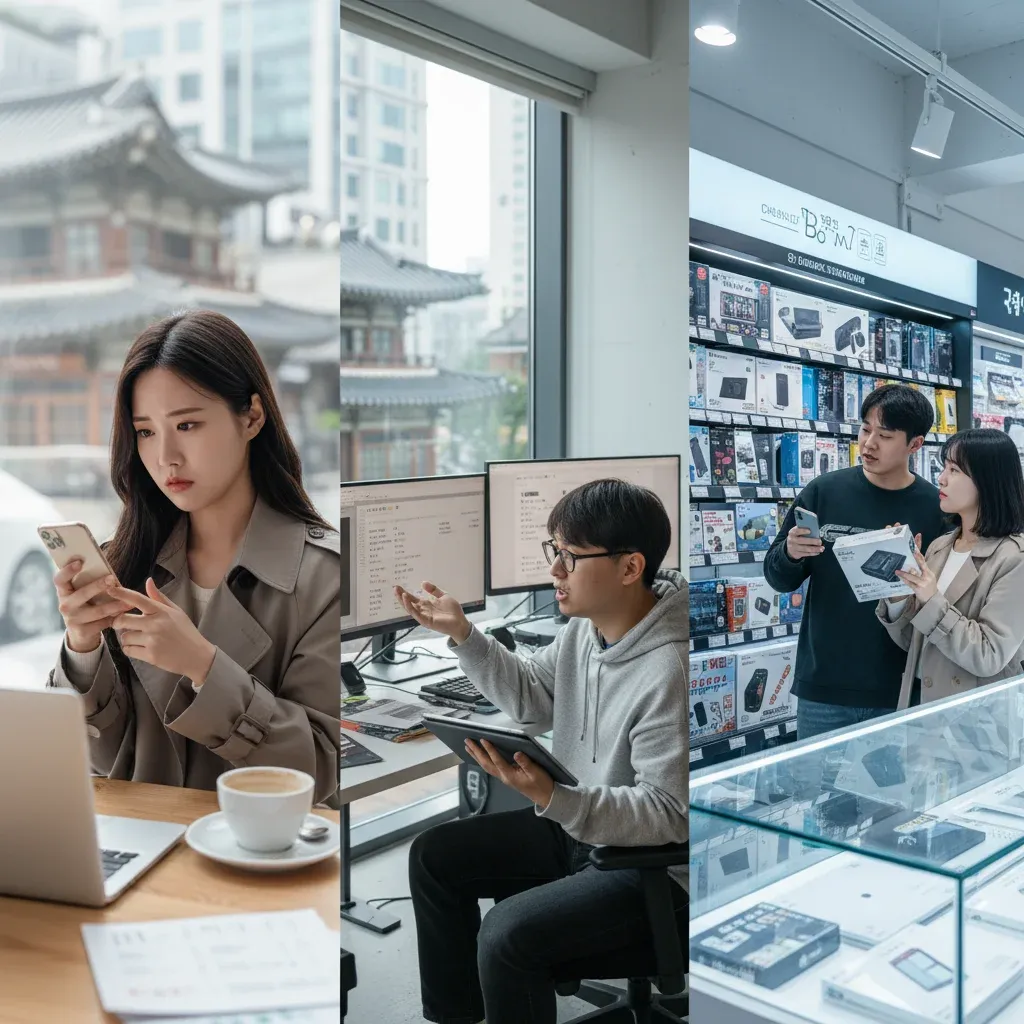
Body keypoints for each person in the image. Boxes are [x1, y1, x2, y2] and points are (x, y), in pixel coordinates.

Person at [395, 478, 688, 1024]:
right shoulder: (588, 628)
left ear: (629, 568)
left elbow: (668, 815)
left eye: (570, 557)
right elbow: (535, 699)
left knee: (507, 935)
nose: (554, 570)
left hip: (652, 871)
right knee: (434, 856)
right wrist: (464, 635)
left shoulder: (669, 668)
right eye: (555, 551)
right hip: (581, 827)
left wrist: (557, 798)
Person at [46, 311, 340, 805]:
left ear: (251, 416)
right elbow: (99, 761)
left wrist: (204, 665)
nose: (166, 458)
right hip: (143, 849)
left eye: (187, 424)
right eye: (146, 432)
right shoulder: (125, 564)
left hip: (267, 861)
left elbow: (322, 768)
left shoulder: (324, 578)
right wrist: (82, 649)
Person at [764, 384, 944, 739]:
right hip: (824, 687)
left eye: (885, 435)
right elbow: (777, 578)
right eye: (865, 429)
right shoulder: (823, 491)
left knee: (885, 796)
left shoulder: (934, 507)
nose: (868, 443)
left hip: (899, 686)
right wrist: (789, 553)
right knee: (814, 795)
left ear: (915, 445)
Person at [879, 428, 1024, 708]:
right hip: (920, 706)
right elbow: (915, 643)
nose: (942, 478)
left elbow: (989, 655)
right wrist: (898, 595)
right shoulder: (941, 546)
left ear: (988, 480)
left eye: (954, 470)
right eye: (944, 467)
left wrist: (932, 599)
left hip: (974, 721)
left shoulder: (1013, 558)